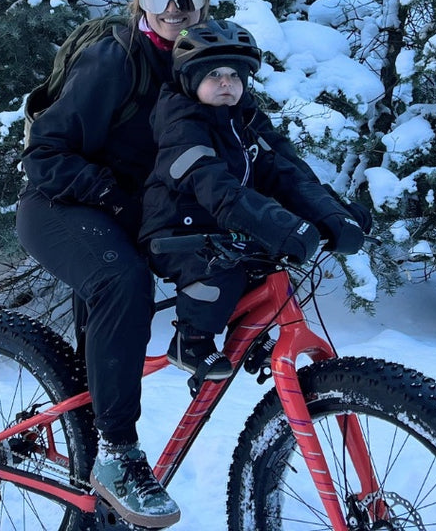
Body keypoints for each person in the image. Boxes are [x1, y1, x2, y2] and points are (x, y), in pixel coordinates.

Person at [17, 0, 215, 528]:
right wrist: (111, 194)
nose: (176, 7)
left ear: (207, 0)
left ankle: (91, 488)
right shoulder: (112, 57)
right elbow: (44, 154)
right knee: (123, 282)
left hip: (133, 211)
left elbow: (242, 150)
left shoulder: (210, 65)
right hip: (60, 203)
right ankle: (117, 454)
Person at [140, 19, 367, 382]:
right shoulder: (180, 121)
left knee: (263, 266)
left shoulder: (245, 119)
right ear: (190, 80)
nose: (227, 82)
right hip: (175, 230)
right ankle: (191, 341)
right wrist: (272, 221)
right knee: (219, 270)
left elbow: (287, 171)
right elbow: (208, 179)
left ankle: (247, 336)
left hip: (226, 227)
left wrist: (332, 213)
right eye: (214, 74)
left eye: (235, 74)